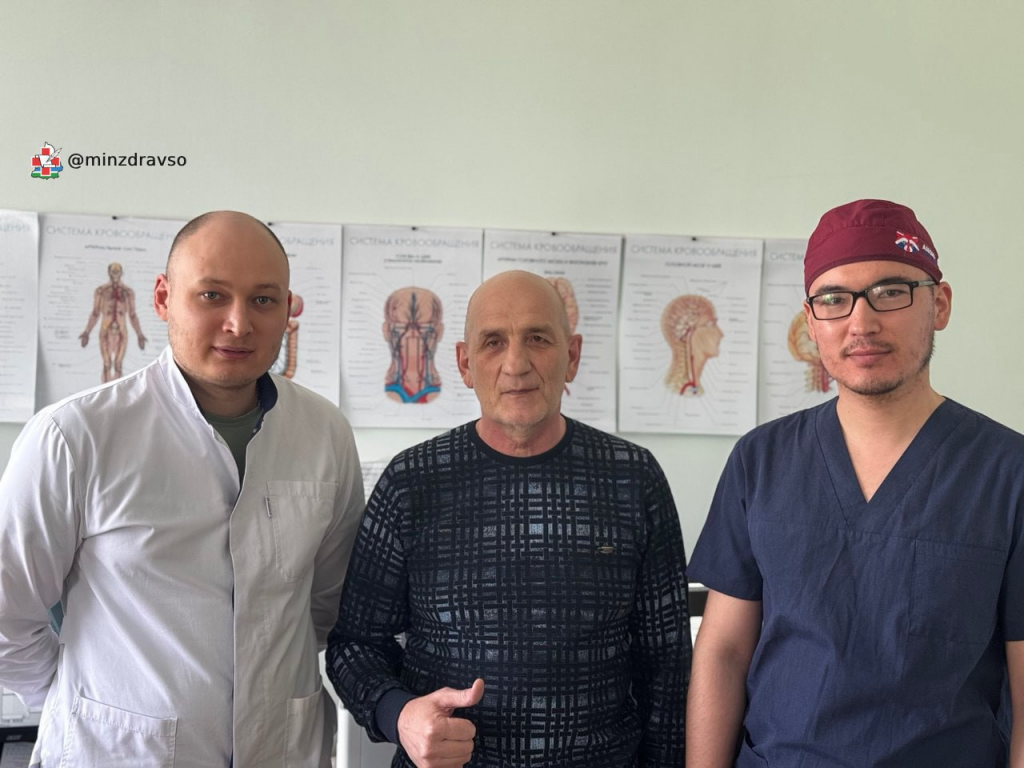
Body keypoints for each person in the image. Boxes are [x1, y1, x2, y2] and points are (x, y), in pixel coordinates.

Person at [0, 211, 364, 767]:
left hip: (282, 749)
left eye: (263, 300)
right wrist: (79, 702)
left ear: (289, 308)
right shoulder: (74, 436)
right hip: (117, 752)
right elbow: (7, 615)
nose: (239, 323)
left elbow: (326, 604)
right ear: (163, 298)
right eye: (212, 295)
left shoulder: (325, 433)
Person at [686, 199, 1024, 767]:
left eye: (891, 292)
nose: (861, 323)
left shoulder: (1006, 473)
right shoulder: (761, 461)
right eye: (834, 299)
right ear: (811, 320)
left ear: (939, 304)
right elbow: (723, 652)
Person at [327, 270, 690, 767]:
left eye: (538, 338)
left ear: (572, 356)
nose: (516, 365)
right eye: (493, 342)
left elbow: (667, 666)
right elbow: (354, 644)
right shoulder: (412, 482)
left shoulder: (633, 478)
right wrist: (400, 714)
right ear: (465, 363)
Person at [79, 261, 148, 383]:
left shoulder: (128, 293)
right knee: (106, 363)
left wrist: (139, 334)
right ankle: (105, 391)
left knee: (118, 364)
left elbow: (132, 315)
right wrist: (86, 332)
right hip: (105, 330)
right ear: (109, 273)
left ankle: (117, 392)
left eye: (117, 271)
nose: (115, 274)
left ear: (121, 273)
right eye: (113, 271)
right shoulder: (101, 291)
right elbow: (95, 313)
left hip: (121, 331)